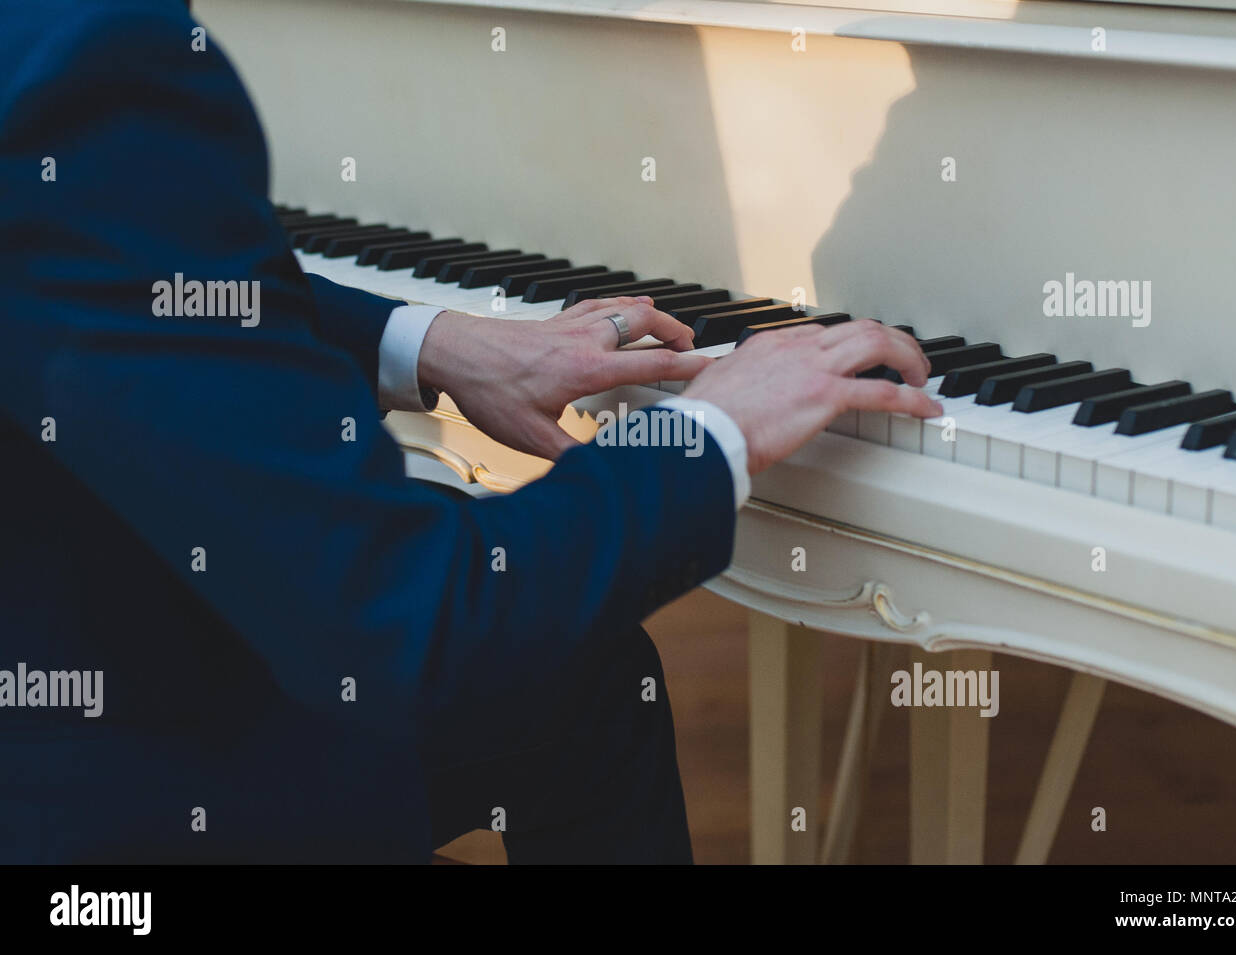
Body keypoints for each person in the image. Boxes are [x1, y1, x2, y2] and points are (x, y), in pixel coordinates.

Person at [0, 0, 940, 863]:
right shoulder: (80, 57)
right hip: (93, 797)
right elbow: (413, 623)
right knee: (565, 665)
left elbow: (111, 277)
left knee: (587, 684)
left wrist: (428, 340)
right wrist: (709, 433)